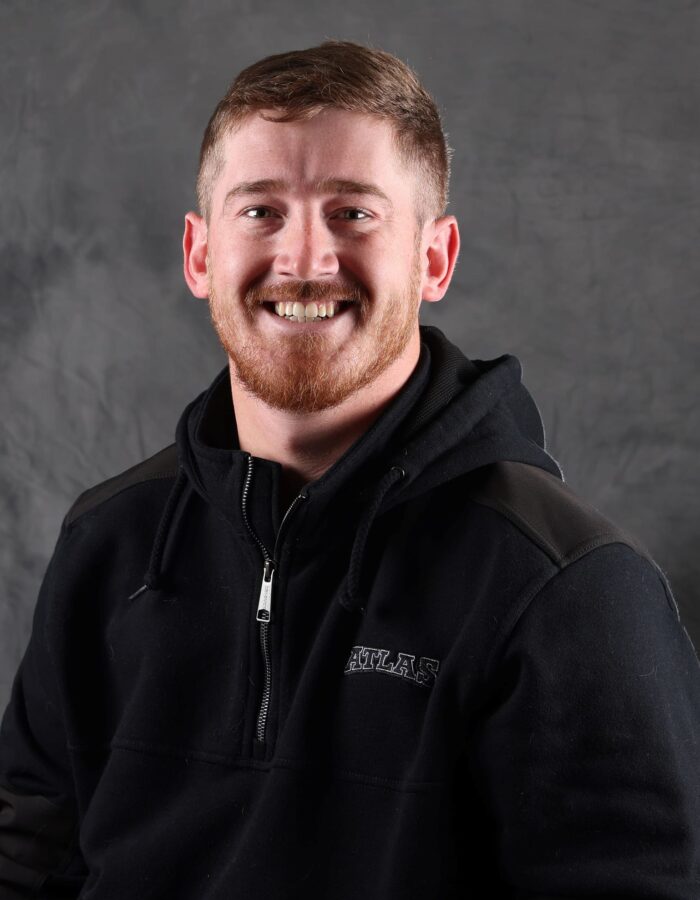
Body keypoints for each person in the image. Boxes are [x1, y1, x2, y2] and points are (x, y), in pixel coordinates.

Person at [1, 39, 698, 900]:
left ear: (433, 258)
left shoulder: (564, 588)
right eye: (260, 211)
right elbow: (28, 862)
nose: (304, 259)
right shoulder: (109, 546)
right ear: (199, 254)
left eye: (353, 213)